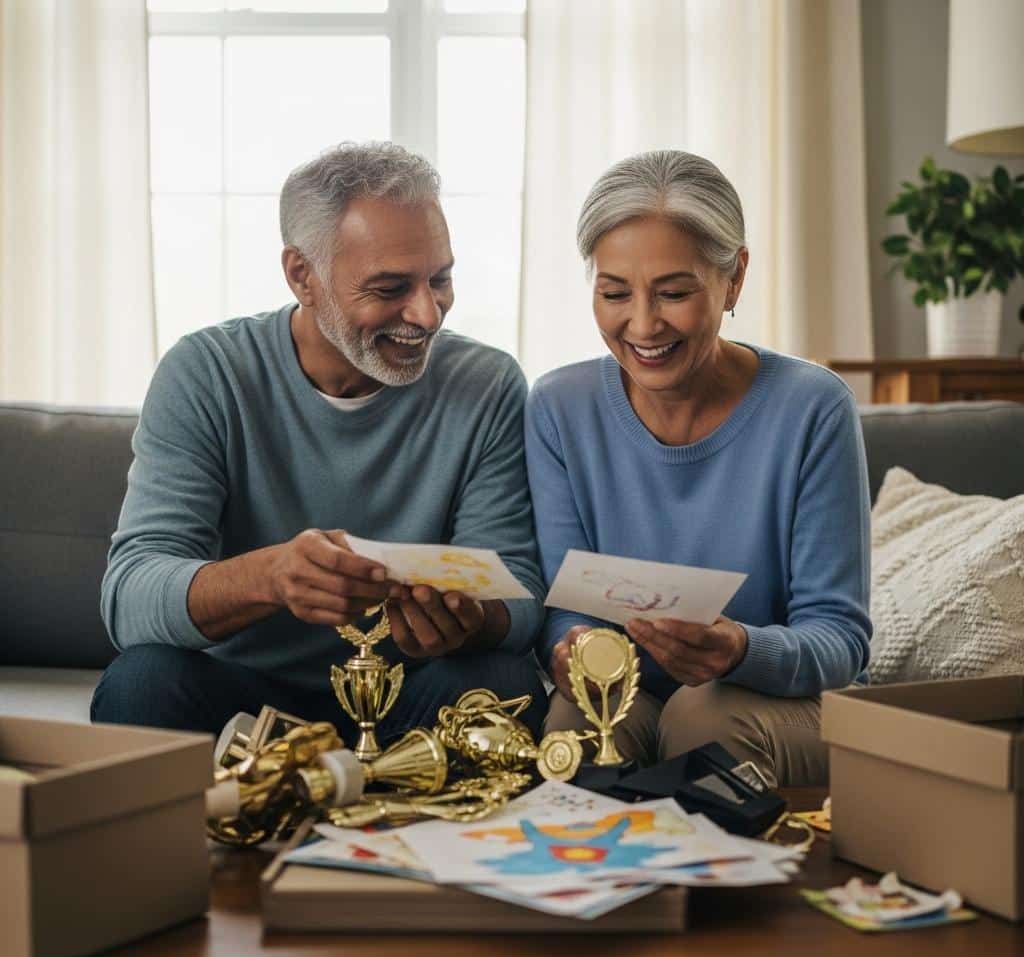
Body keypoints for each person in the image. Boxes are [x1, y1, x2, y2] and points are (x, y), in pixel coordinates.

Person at [93, 141, 547, 743]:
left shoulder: (485, 383)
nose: (427, 314)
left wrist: (471, 621)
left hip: (408, 704)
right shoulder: (207, 371)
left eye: (440, 279)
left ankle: (350, 799)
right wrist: (272, 576)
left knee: (504, 680)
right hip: (245, 704)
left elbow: (516, 589)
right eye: (389, 288)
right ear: (302, 275)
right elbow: (130, 596)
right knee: (138, 684)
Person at [526, 150, 871, 787]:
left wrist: (738, 648)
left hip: (779, 698)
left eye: (675, 293)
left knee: (700, 721)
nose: (642, 324)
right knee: (579, 728)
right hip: (631, 688)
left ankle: (721, 889)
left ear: (734, 278)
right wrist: (569, 646)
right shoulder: (557, 407)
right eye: (613, 294)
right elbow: (563, 606)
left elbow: (841, 643)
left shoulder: (813, 408)